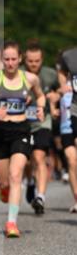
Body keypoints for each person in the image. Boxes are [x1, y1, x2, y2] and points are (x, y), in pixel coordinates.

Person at [0, 41, 46, 237]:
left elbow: (41, 97)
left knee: (16, 175)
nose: (10, 63)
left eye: (14, 59)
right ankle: (4, 191)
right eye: (6, 59)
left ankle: (11, 223)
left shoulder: (30, 78)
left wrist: (41, 108)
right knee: (5, 182)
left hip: (21, 131)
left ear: (20, 59)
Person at [23, 40, 60, 215]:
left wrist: (56, 94)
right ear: (25, 59)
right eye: (30, 61)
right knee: (26, 161)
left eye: (37, 61)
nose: (34, 64)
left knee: (39, 157)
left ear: (42, 60)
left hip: (42, 122)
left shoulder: (50, 74)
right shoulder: (18, 74)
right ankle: (30, 181)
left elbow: (65, 88)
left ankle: (41, 197)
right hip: (21, 124)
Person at [57, 47, 77, 212]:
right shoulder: (69, 57)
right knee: (71, 160)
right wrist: (63, 87)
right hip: (68, 124)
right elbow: (61, 72)